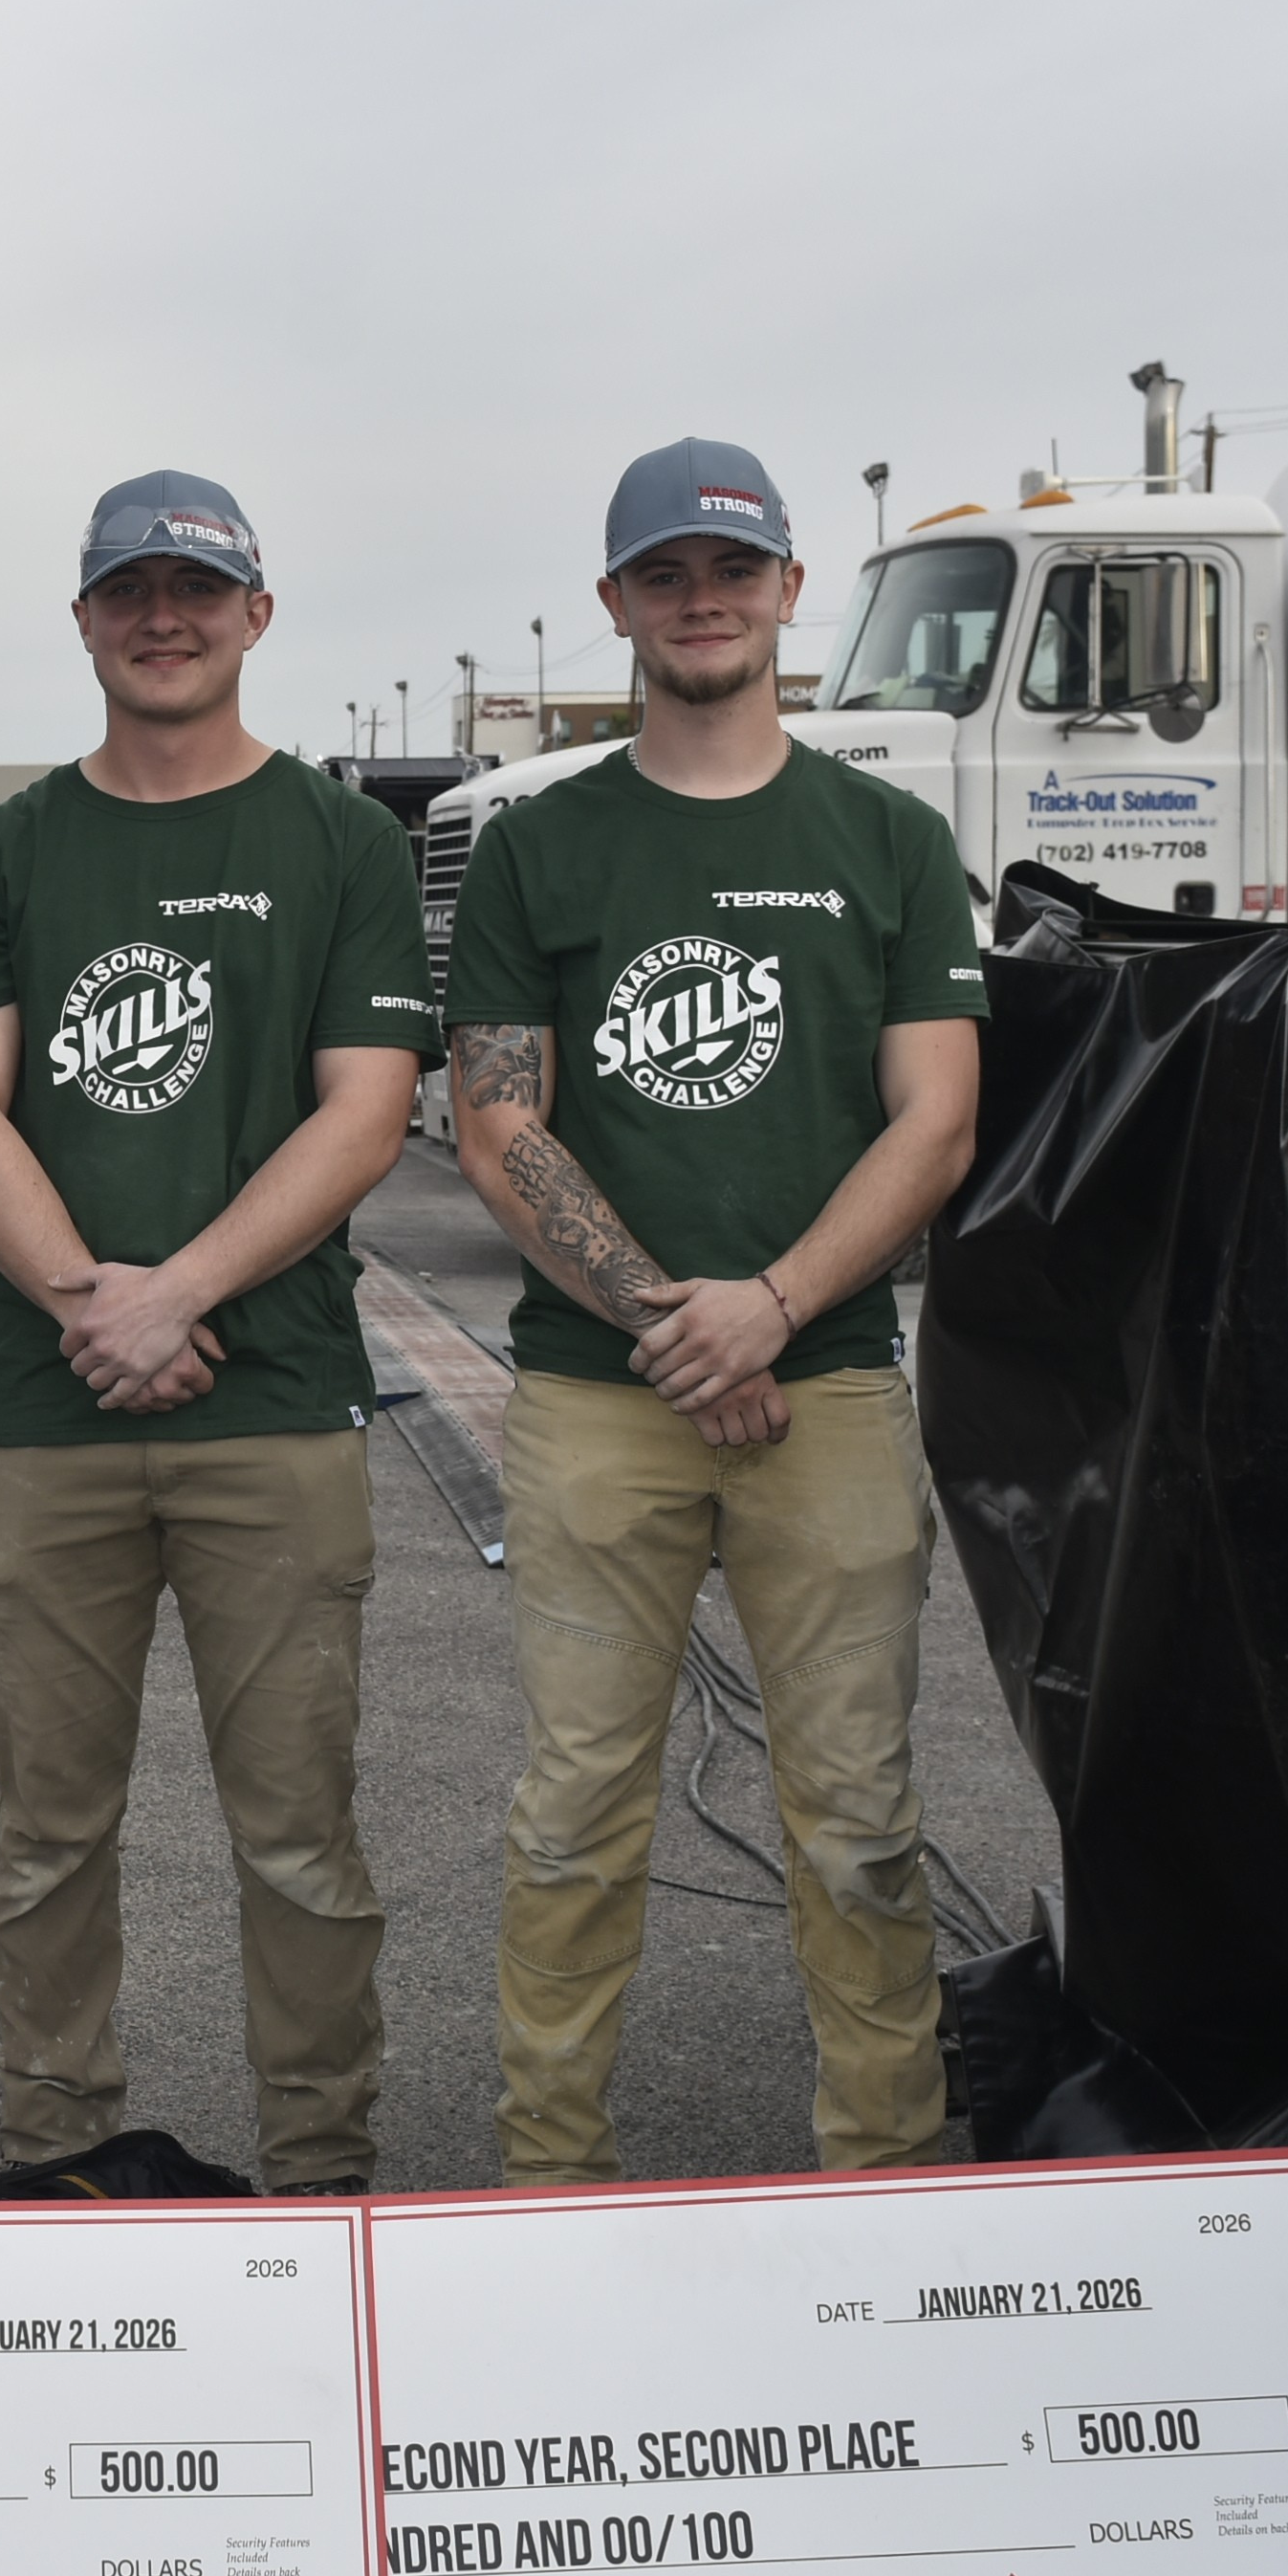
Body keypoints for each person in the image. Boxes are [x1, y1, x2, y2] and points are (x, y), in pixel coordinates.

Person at [440, 438, 985, 2184]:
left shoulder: (888, 841)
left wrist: (774, 1306)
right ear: (615, 601)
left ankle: (880, 2182)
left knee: (860, 1822)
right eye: (665, 574)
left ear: (790, 589)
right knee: (575, 1816)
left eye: (734, 570)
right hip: (598, 1404)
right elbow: (498, 1122)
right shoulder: (540, 846)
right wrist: (678, 1328)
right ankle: (548, 2182)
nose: (703, 601)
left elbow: (937, 1123)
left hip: (829, 1393)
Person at [0, 473, 437, 2194]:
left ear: (255, 616)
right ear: (83, 620)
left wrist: (179, 1291)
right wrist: (93, 1301)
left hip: (270, 1410)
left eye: (197, 591)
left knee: (299, 1840)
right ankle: (55, 2157)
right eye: (129, 592)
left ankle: (321, 2175)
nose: (164, 619)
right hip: (46, 1411)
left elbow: (365, 1111)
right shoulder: (5, 852)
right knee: (45, 1839)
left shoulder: (341, 845)